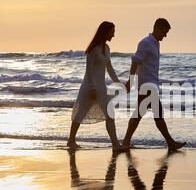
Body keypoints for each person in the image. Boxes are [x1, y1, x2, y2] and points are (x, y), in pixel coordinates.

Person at [123, 18, 186, 151]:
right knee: (156, 115)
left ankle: (126, 141)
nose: (165, 35)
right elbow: (135, 62)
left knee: (140, 114)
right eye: (164, 31)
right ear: (157, 28)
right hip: (147, 85)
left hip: (151, 85)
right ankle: (170, 143)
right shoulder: (145, 43)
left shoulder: (155, 43)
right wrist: (130, 81)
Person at [68, 21, 128, 152]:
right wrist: (93, 88)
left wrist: (119, 83)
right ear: (105, 32)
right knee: (80, 114)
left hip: (101, 87)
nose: (114, 35)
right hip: (89, 87)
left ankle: (115, 144)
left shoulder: (106, 49)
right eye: (112, 31)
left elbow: (110, 69)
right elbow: (88, 71)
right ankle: (71, 141)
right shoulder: (93, 49)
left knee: (110, 115)